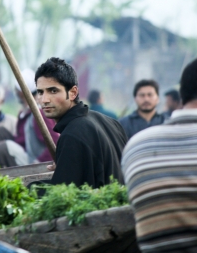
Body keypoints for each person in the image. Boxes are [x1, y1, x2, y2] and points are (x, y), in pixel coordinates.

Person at [103, 57, 197, 253]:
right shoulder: (127, 126)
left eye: (150, 94)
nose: (146, 99)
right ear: (136, 99)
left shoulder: (137, 146)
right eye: (141, 94)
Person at [34, 57, 127, 188]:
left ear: (72, 93)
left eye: (53, 91)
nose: (44, 99)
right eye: (40, 92)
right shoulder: (111, 122)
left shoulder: (72, 134)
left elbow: (65, 193)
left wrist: (31, 187)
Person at [0, 69, 59, 167]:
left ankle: (16, 175)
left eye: (16, 90)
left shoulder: (39, 114)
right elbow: (21, 140)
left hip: (37, 161)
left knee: (2, 148)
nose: (15, 92)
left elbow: (55, 143)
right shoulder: (24, 113)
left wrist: (39, 162)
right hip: (25, 152)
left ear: (22, 92)